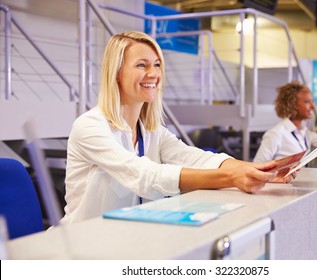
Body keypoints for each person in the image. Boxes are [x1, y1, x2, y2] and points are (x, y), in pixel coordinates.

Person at [62, 31, 294, 224]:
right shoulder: (90, 126)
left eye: (157, 65)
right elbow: (144, 175)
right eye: (141, 65)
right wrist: (231, 177)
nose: (153, 74)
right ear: (117, 74)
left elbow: (197, 158)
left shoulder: (152, 131)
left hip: (130, 236)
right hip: (87, 243)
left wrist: (259, 170)